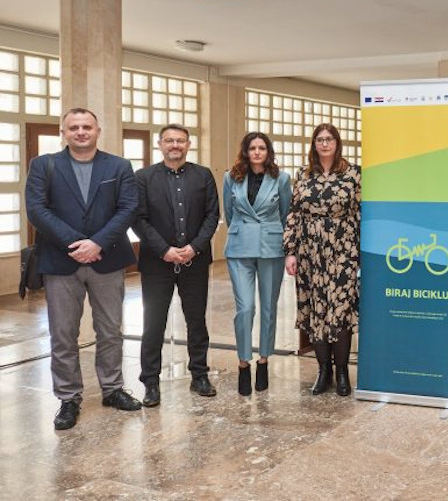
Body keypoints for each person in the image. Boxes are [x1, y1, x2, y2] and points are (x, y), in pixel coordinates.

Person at [25, 107, 141, 430]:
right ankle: (68, 398)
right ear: (63, 132)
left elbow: (128, 208)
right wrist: (78, 243)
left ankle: (113, 389)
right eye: (74, 127)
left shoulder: (118, 166)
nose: (80, 132)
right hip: (61, 260)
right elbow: (36, 210)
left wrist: (98, 243)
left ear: (97, 131)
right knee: (63, 333)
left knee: (111, 330)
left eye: (86, 126)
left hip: (108, 258)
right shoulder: (44, 165)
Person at [132, 124, 219, 406]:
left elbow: (212, 215)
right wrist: (165, 250)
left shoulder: (203, 175)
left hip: (195, 261)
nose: (175, 145)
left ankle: (199, 375)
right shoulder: (143, 177)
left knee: (196, 320)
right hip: (157, 263)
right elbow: (138, 219)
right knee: (153, 323)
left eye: (180, 141)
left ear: (188, 145)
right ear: (160, 144)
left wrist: (194, 247)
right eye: (169, 140)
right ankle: (151, 381)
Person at [284, 123, 360, 396]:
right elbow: (294, 213)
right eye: (320, 139)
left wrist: (362, 253)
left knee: (339, 311)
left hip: (343, 251)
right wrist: (290, 251)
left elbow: (360, 212)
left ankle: (342, 372)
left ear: (337, 143)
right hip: (310, 253)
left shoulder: (353, 174)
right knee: (317, 312)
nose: (325, 144)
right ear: (314, 144)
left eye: (329, 139)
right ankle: (323, 370)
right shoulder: (303, 175)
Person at [223, 132, 291, 396]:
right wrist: (244, 230)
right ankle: (243, 362)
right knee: (245, 308)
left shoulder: (281, 178)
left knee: (269, 308)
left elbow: (285, 214)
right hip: (239, 246)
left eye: (262, 148)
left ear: (268, 151)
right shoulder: (231, 177)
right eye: (252, 148)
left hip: (271, 246)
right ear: (246, 151)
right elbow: (229, 214)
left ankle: (264, 360)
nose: (257, 152)